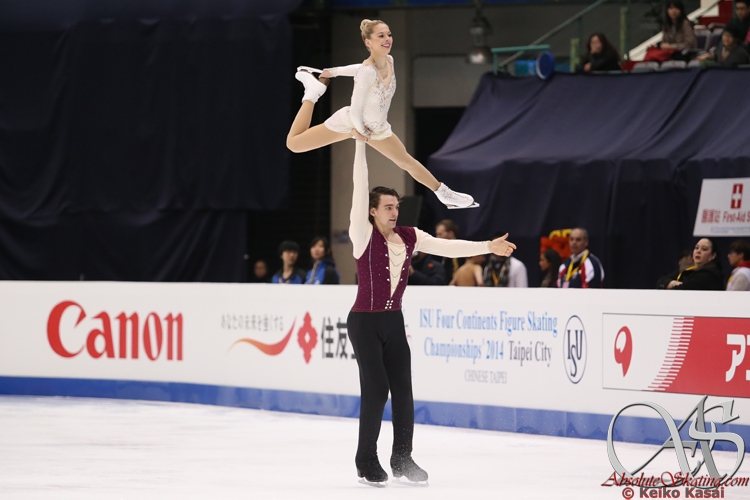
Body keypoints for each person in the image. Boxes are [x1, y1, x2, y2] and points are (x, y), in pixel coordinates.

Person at [346, 141, 515, 486]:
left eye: (397, 206)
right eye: (387, 207)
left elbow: (448, 247)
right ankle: (366, 459)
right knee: (376, 388)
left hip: (394, 321)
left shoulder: (410, 236)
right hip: (364, 321)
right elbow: (358, 185)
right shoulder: (362, 234)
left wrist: (487, 246)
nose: (394, 212)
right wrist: (360, 144)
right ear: (372, 211)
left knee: (403, 389)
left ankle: (402, 457)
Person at [286, 19, 476, 210]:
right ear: (368, 42)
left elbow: (358, 68)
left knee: (406, 161)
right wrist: (358, 132)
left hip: (377, 127)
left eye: (389, 35)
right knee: (294, 144)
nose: (387, 39)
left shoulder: (389, 60)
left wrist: (333, 72)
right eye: (381, 36)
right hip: (353, 122)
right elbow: (356, 108)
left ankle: (445, 194)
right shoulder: (367, 73)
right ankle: (312, 94)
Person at [656, 238, 724, 290]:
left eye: (704, 249)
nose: (698, 251)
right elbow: (661, 282)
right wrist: (675, 283)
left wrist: (673, 285)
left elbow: (681, 290)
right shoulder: (690, 269)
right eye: (696, 248)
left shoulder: (710, 274)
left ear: (713, 255)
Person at [434, 219, 463, 284]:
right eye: (437, 234)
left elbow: (457, 270)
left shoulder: (458, 249)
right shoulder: (442, 251)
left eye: (440, 234)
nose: (437, 238)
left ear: (450, 233)